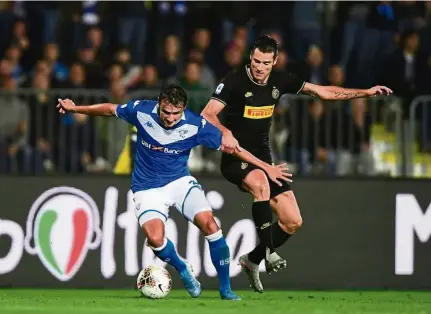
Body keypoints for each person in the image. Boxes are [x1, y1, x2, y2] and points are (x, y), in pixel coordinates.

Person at [56, 84, 292, 300]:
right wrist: (76, 108)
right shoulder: (142, 111)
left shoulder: (195, 125)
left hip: (180, 182)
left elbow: (235, 149)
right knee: (155, 239)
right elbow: (109, 109)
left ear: (184, 109)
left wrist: (266, 167)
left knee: (211, 225)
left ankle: (225, 289)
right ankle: (183, 269)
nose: (170, 119)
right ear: (159, 104)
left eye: (175, 114)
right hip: (146, 188)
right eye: (166, 112)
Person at [201, 35, 393, 293]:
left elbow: (323, 91)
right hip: (236, 158)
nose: (259, 67)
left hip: (265, 159)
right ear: (250, 58)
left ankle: (252, 259)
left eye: (265, 63)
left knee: (292, 220)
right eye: (256, 61)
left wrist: (365, 93)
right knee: (260, 184)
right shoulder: (234, 81)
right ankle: (269, 252)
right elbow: (207, 113)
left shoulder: (281, 80)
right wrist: (224, 131)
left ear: (275, 61)